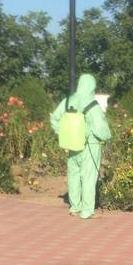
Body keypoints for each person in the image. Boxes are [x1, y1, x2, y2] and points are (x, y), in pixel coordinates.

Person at [50, 74, 112, 219]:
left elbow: (55, 118)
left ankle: (75, 207)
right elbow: (101, 128)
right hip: (89, 145)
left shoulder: (68, 101)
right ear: (92, 87)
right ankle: (87, 211)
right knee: (88, 177)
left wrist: (63, 133)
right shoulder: (91, 104)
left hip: (72, 144)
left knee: (74, 176)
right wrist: (107, 137)